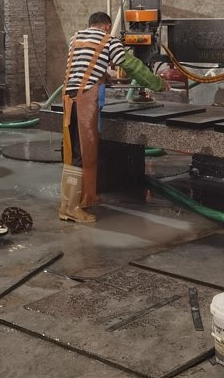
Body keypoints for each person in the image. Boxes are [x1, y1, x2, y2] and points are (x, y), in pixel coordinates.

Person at [60, 11, 168, 223]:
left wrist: (104, 76)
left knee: (76, 151)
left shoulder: (76, 37)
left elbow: (84, 65)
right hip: (84, 101)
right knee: (82, 154)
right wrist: (157, 83)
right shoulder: (108, 40)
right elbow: (132, 66)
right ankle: (70, 208)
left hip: (68, 98)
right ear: (108, 27)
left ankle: (86, 197)